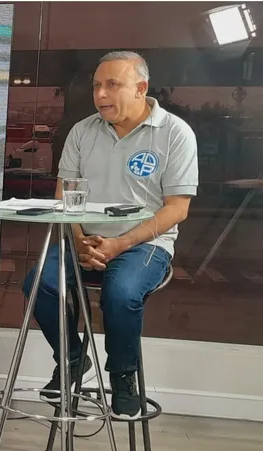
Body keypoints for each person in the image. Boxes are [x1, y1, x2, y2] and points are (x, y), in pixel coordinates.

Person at [22, 51, 198, 419]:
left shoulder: (175, 133)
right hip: (84, 238)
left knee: (121, 294)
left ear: (141, 88)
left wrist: (119, 244)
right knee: (39, 282)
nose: (100, 94)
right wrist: (79, 240)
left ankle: (122, 376)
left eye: (112, 85)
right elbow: (64, 197)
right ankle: (71, 359)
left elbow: (177, 209)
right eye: (96, 86)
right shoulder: (82, 132)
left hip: (145, 243)